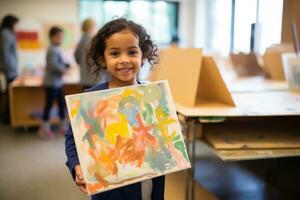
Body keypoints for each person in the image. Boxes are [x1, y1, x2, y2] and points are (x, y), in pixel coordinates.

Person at [65, 18, 165, 200]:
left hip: (147, 185)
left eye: (132, 52)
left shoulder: (153, 97)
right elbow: (73, 137)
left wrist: (171, 135)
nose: (124, 60)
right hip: (109, 191)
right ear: (103, 59)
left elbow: (162, 137)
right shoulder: (91, 99)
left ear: (143, 57)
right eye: (115, 53)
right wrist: (76, 164)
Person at [38, 26, 70, 138]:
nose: (60, 39)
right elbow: (53, 66)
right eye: (58, 36)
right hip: (51, 84)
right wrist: (64, 69)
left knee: (62, 104)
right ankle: (44, 129)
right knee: (49, 105)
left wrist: (64, 65)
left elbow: (57, 63)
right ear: (52, 37)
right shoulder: (52, 49)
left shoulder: (56, 49)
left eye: (62, 37)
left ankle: (63, 126)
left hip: (57, 83)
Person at [74, 18, 109, 90]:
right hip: (96, 78)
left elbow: (76, 57)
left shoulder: (81, 41)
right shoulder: (95, 41)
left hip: (85, 78)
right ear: (92, 26)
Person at [0, 14, 19, 124]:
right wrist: (11, 70)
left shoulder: (6, 34)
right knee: (9, 95)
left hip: (10, 69)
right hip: (9, 70)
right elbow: (6, 55)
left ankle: (8, 117)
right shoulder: (6, 34)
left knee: (9, 94)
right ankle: (8, 118)